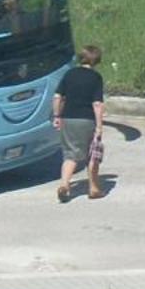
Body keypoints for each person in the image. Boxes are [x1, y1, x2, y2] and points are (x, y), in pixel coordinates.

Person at [52, 45, 106, 204]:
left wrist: (57, 115)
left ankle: (64, 185)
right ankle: (94, 189)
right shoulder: (95, 77)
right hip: (86, 119)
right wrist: (99, 126)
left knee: (70, 154)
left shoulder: (69, 74)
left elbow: (57, 97)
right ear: (97, 60)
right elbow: (97, 104)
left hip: (67, 118)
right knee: (92, 154)